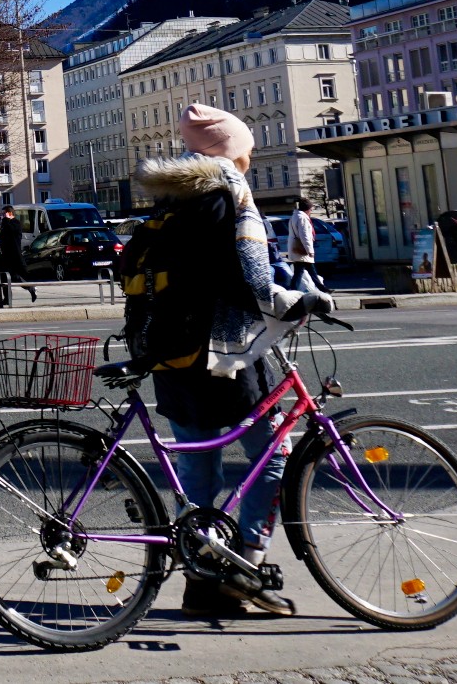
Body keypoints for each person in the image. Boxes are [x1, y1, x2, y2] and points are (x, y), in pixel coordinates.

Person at [130, 103, 298, 620]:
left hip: (168, 352)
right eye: (247, 149)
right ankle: (246, 566)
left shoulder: (170, 200)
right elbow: (249, 276)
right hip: (225, 355)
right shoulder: (228, 192)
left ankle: (203, 584)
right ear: (233, 152)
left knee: (197, 472)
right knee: (273, 456)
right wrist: (292, 301)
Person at [0, 209, 36, 307]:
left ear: (10, 213)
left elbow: (14, 233)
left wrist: (7, 221)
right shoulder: (5, 223)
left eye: (4, 213)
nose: (3, 215)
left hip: (13, 256)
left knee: (14, 277)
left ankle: (30, 288)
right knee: (3, 278)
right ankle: (7, 299)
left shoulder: (15, 223)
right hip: (3, 256)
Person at [284, 197, 320, 289]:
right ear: (307, 209)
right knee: (302, 272)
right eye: (311, 209)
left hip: (297, 249)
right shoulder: (302, 218)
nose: (311, 211)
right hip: (302, 250)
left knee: (302, 272)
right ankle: (322, 288)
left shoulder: (294, 217)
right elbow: (305, 236)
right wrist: (310, 250)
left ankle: (322, 288)